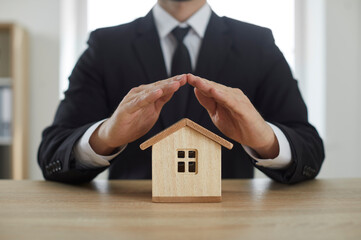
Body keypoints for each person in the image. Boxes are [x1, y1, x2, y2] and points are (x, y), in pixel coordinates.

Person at [38, 0, 324, 184]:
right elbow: (53, 151)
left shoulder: (258, 44)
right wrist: (106, 137)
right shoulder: (106, 46)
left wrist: (264, 139)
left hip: (232, 224)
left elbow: (310, 149)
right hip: (131, 224)